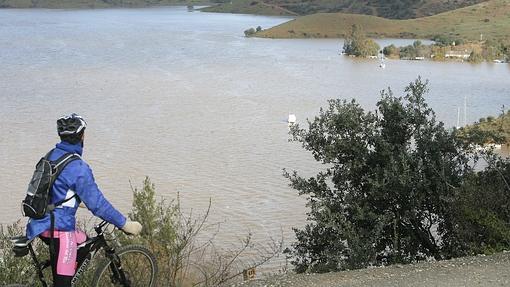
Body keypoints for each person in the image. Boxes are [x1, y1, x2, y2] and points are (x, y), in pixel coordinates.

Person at [25, 113, 142, 287]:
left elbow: (56, 190)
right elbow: (98, 205)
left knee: (84, 241)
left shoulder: (51, 156)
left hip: (39, 224)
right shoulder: (78, 168)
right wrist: (124, 224)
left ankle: (61, 264)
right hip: (60, 230)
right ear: (82, 136)